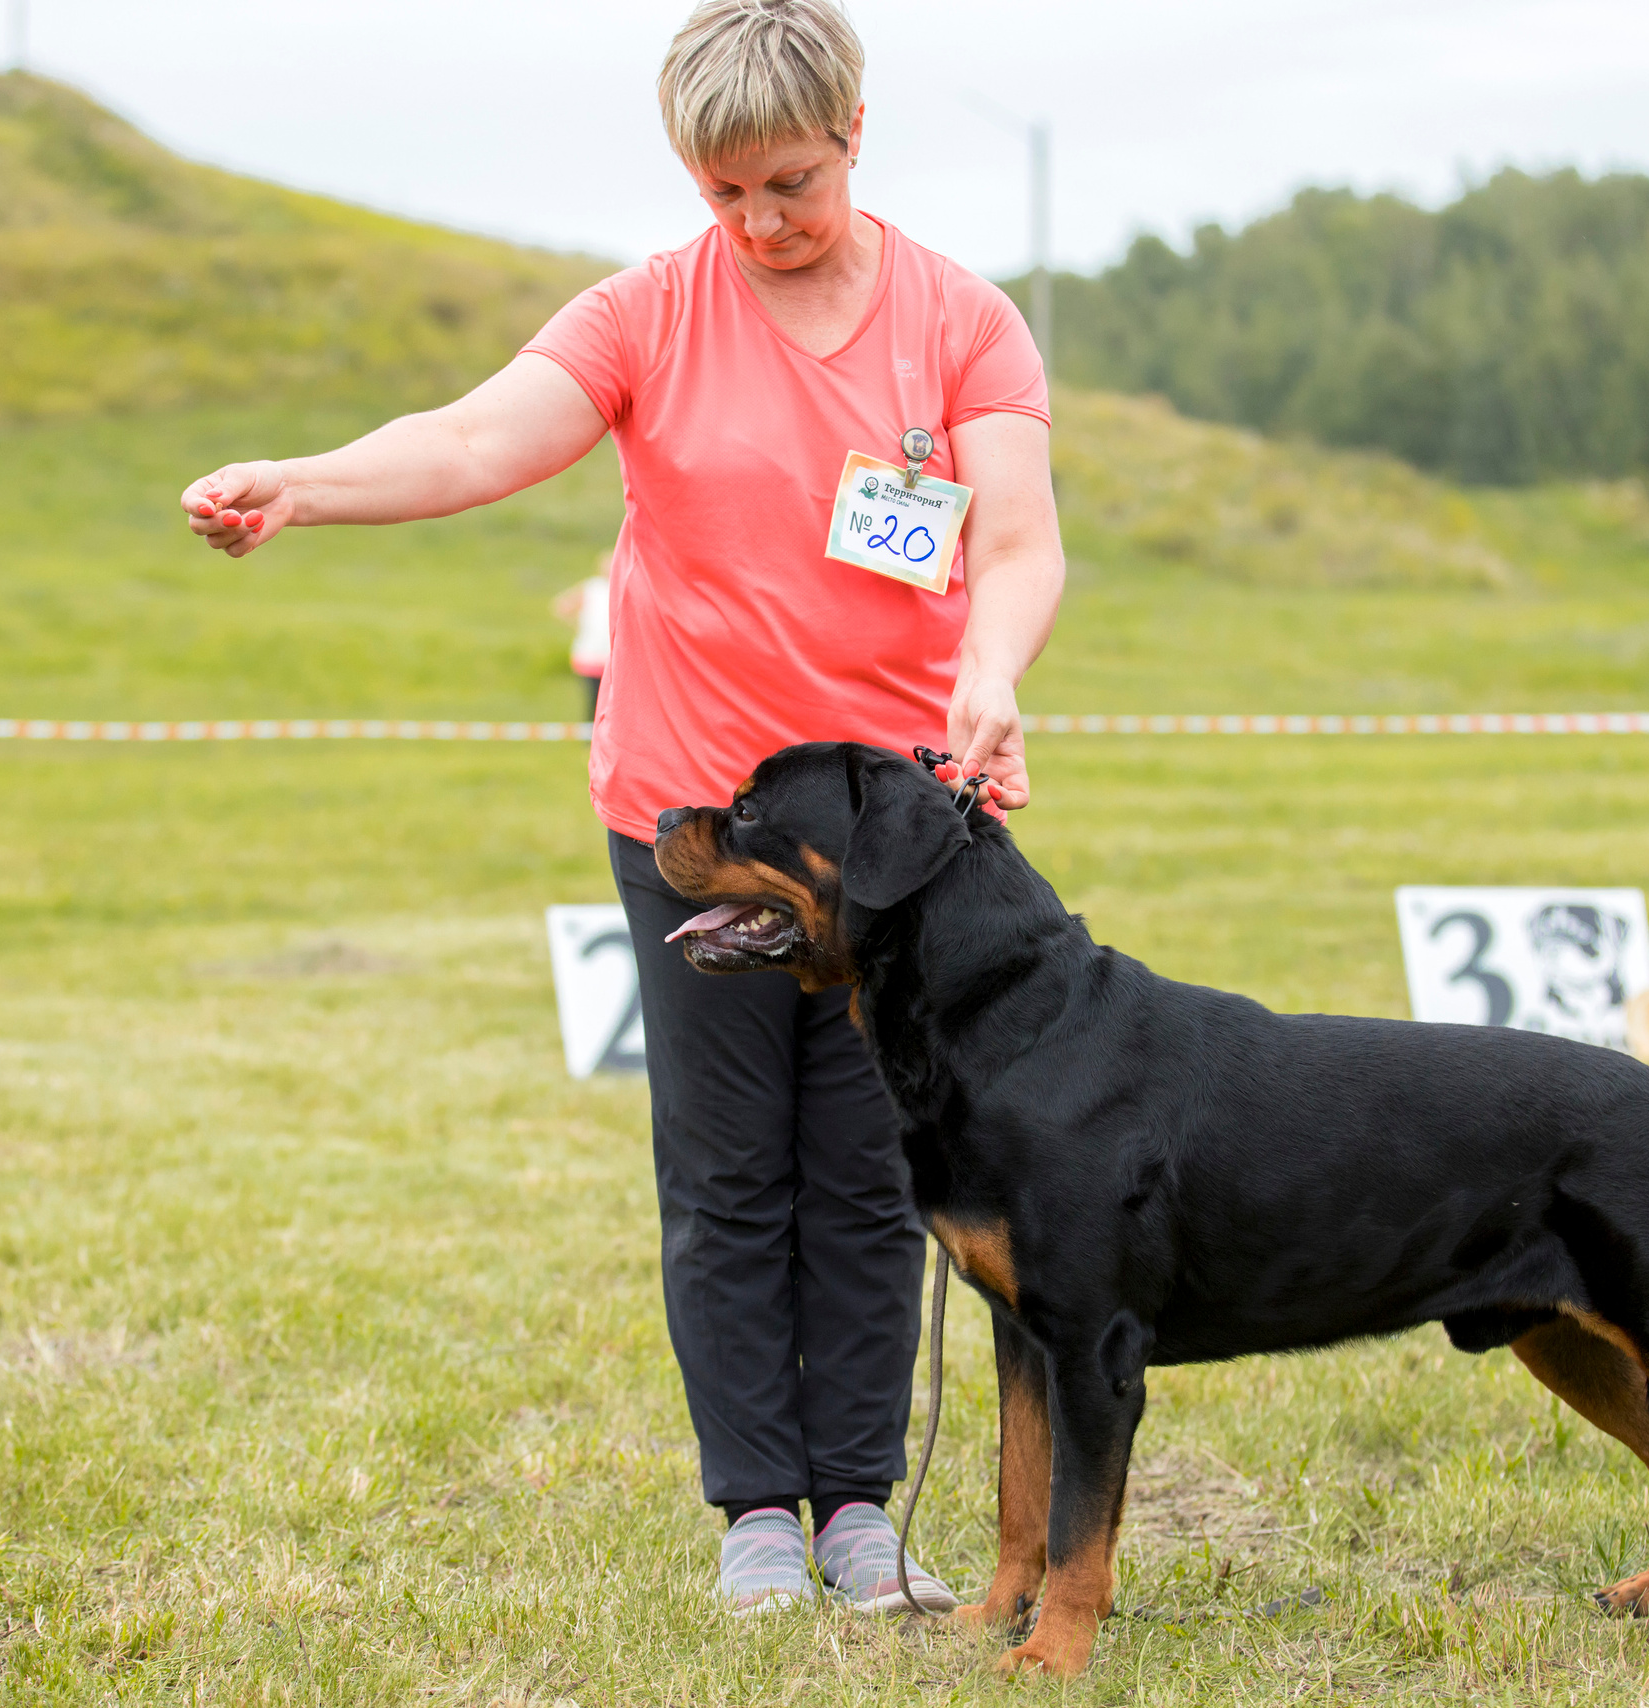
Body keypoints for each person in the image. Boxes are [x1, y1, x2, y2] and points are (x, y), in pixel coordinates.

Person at [177, 0, 1063, 1619]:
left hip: (892, 842)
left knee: (871, 1169)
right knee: (729, 1170)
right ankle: (756, 1514)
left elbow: (1014, 541)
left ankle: (859, 1513)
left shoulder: (962, 323)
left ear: (855, 133)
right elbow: (472, 439)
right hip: (697, 815)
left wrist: (991, 666)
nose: (759, 223)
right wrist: (304, 483)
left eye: (790, 184)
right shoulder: (647, 314)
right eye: (723, 192)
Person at [550, 551, 612, 720]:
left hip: (613, 655)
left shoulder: (622, 585)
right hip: (590, 654)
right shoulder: (592, 588)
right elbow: (562, 606)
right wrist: (579, 626)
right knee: (593, 700)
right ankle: (590, 732)